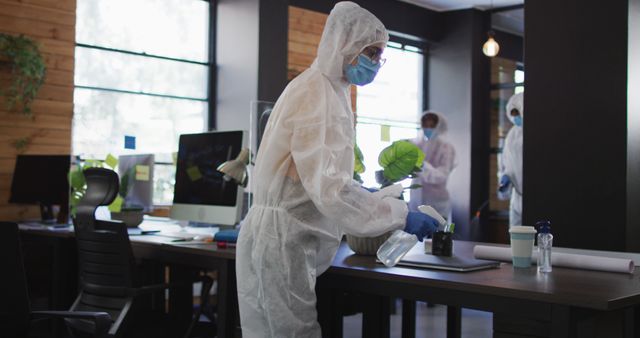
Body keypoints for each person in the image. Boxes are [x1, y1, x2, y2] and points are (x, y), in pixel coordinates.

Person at [236, 2, 439, 337]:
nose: (375, 62)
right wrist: (399, 215)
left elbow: (318, 177)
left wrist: (373, 198)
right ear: (344, 44)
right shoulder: (318, 94)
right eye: (370, 52)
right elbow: (330, 190)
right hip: (282, 240)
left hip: (275, 234)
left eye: (379, 55)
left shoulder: (326, 89)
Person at [408, 111, 457, 220]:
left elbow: (441, 176)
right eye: (425, 125)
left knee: (437, 234)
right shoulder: (418, 145)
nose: (428, 129)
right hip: (416, 199)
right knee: (416, 233)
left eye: (431, 126)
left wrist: (422, 166)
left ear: (439, 126)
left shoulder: (446, 148)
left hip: (437, 202)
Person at [498, 92, 523, 226]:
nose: (516, 119)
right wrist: (505, 176)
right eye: (513, 116)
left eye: (518, 114)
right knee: (515, 240)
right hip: (517, 197)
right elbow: (506, 162)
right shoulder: (512, 135)